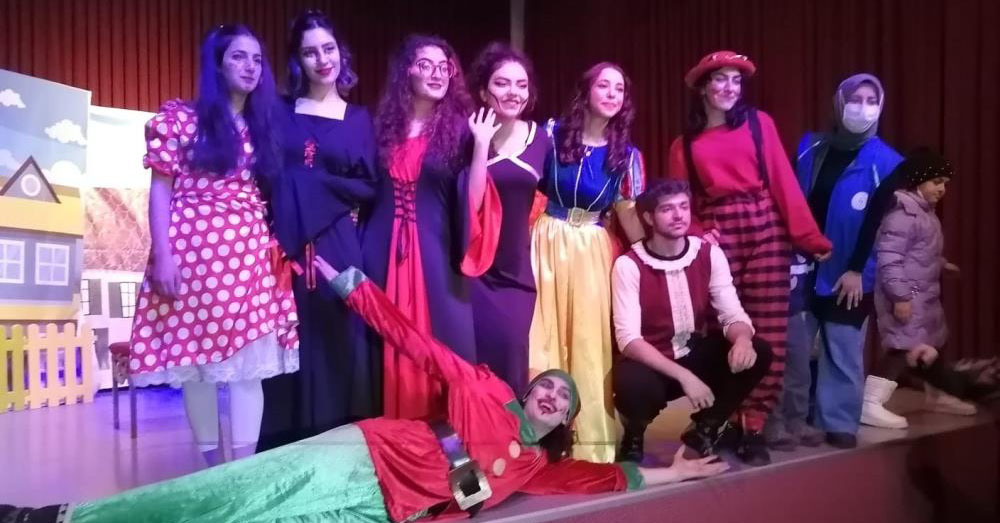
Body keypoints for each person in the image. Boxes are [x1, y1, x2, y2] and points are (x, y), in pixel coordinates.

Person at [12, 256, 730, 523]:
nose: (551, 397)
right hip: (367, 458)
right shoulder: (484, 388)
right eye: (547, 385)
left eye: (562, 399)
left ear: (568, 417)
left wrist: (673, 472)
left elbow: (596, 479)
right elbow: (413, 339)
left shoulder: (539, 466)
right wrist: (349, 286)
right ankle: (63, 517)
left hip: (386, 511)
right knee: (231, 492)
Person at [129, 24, 298, 464]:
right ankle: (212, 471)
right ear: (218, 64)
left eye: (257, 59)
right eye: (239, 57)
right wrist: (163, 255)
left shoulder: (263, 126)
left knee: (248, 368)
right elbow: (161, 191)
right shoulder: (181, 119)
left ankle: (240, 475)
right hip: (193, 251)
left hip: (248, 252)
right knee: (197, 369)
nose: (250, 67)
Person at [667, 50, 832, 465]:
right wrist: (699, 231)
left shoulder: (760, 124)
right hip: (720, 234)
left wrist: (807, 235)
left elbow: (782, 180)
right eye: (720, 79)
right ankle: (724, 418)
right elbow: (680, 203)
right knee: (722, 328)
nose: (729, 87)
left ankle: (754, 424)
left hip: (764, 228)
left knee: (768, 329)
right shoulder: (685, 145)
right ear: (703, 87)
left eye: (736, 80)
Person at [257, 10, 379, 451]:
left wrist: (311, 186)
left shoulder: (360, 118)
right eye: (310, 52)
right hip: (285, 249)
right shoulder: (278, 112)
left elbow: (369, 185)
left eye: (329, 49)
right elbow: (266, 175)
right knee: (289, 348)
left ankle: (340, 453)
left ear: (341, 53)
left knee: (339, 344)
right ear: (297, 60)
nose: (322, 59)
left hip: (339, 245)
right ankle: (284, 453)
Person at [363, 35, 502, 420]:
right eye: (426, 65)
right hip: (381, 250)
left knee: (445, 347)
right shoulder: (381, 129)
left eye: (444, 67)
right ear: (406, 70)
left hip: (434, 254)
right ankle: (390, 443)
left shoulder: (460, 131)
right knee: (382, 344)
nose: (437, 74)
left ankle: (448, 449)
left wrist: (481, 146)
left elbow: (474, 200)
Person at [774, 74, 903, 450]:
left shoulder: (888, 161)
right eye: (855, 99)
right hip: (801, 266)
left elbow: (879, 223)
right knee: (796, 348)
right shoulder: (809, 147)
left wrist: (856, 270)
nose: (863, 107)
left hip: (850, 271)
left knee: (842, 345)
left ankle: (839, 420)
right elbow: (790, 199)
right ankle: (795, 417)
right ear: (839, 102)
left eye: (871, 100)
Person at [529, 61, 646, 463]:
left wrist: (648, 258)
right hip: (546, 240)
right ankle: (536, 441)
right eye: (604, 86)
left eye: (619, 89)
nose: (612, 94)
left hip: (592, 247)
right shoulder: (551, 136)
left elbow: (627, 212)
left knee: (588, 343)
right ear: (586, 91)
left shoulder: (627, 155)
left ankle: (589, 445)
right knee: (542, 338)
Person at [612, 180, 773, 463]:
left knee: (758, 350)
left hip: (691, 352)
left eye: (684, 207)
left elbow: (732, 314)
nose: (678, 215)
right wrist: (685, 377)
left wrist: (743, 339)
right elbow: (629, 341)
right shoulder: (628, 264)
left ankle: (705, 428)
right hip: (652, 362)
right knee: (631, 384)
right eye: (667, 209)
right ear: (648, 217)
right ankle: (634, 433)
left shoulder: (708, 254)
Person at [865, 149, 992, 428]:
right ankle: (870, 402)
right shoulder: (903, 214)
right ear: (918, 181)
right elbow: (889, 259)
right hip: (906, 295)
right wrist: (900, 297)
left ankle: (938, 394)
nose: (942, 189)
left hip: (923, 295)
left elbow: (919, 252)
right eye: (936, 182)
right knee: (901, 346)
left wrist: (941, 264)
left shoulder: (924, 213)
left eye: (945, 183)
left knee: (932, 341)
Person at [465, 42, 548, 395]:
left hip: (516, 273)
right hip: (473, 270)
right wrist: (480, 144)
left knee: (513, 361)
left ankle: (512, 429)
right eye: (502, 83)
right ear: (484, 91)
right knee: (473, 367)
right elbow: (472, 203)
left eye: (521, 84)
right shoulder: (467, 134)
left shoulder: (540, 139)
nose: (513, 92)